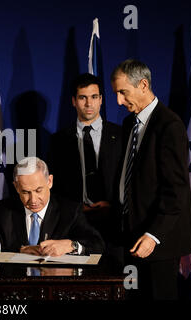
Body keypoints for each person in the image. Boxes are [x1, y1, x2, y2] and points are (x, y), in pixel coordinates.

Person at [110, 59, 191, 300]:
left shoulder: (170, 125)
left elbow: (175, 190)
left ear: (144, 85)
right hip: (129, 235)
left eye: (123, 92)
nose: (118, 101)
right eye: (116, 93)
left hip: (158, 241)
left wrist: (154, 236)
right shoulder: (129, 123)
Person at [47, 73, 122, 247]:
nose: (89, 104)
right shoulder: (58, 140)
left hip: (115, 224)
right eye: (83, 98)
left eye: (94, 97)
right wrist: (76, 208)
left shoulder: (121, 135)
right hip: (75, 225)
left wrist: (113, 206)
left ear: (101, 99)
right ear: (74, 101)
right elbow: (53, 185)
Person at [0, 157, 104, 257]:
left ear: (49, 181)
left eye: (38, 190)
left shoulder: (70, 210)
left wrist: (71, 245)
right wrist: (20, 250)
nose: (33, 200)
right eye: (25, 192)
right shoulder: (1, 211)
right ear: (16, 187)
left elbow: (97, 245)